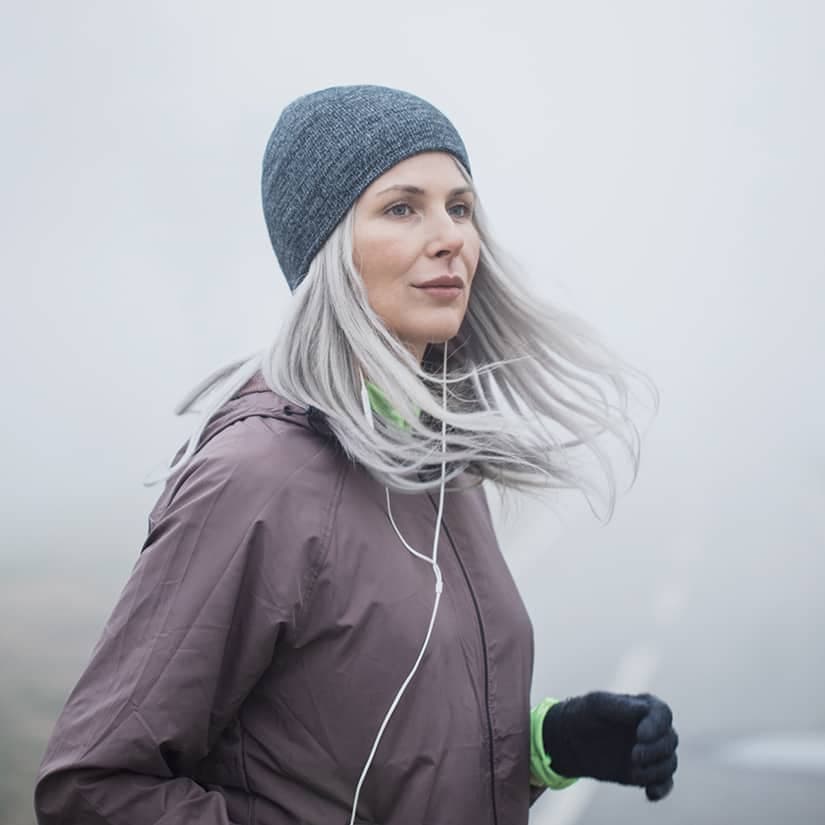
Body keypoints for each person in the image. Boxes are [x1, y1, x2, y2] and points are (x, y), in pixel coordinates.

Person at [34, 85, 678, 825]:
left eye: (459, 207)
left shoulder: (433, 458)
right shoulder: (256, 475)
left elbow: (364, 743)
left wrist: (543, 745)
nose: (450, 238)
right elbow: (94, 786)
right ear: (327, 247)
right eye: (402, 207)